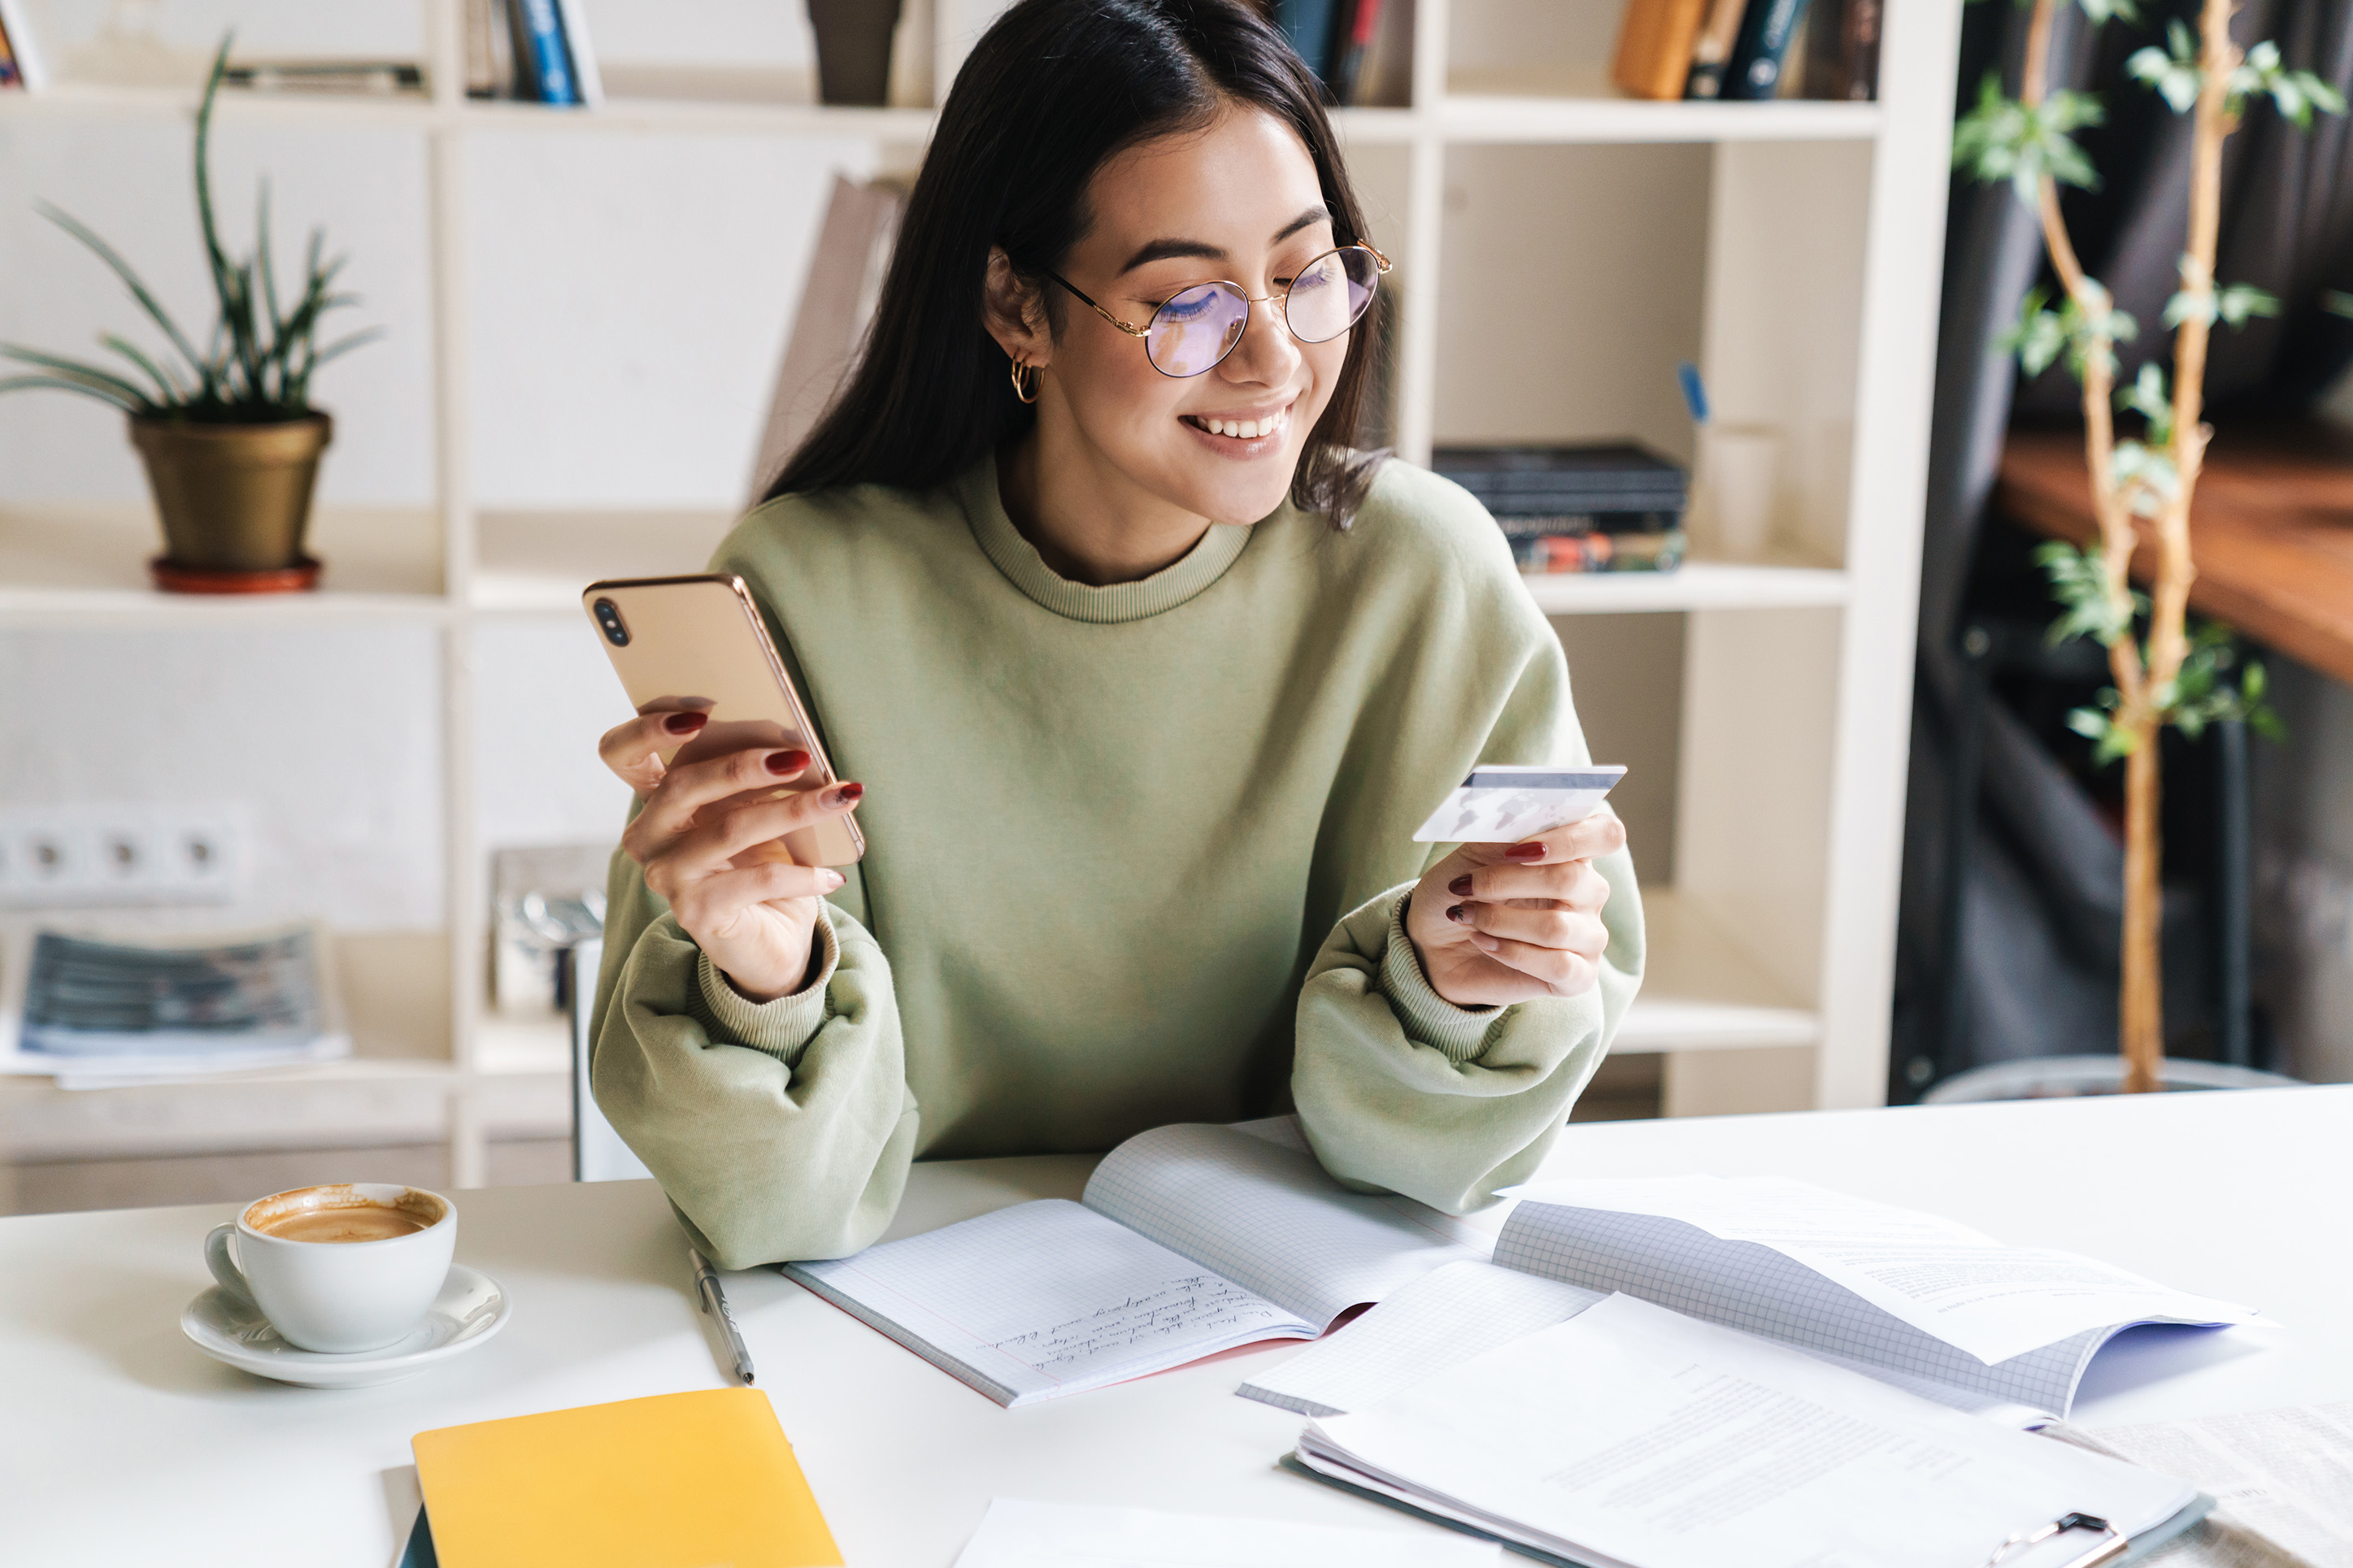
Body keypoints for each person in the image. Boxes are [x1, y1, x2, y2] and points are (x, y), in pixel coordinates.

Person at [587, 0, 1643, 1268]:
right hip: (901, 1321)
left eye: (1308, 277)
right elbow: (777, 1212)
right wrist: (764, 975)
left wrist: (1458, 985)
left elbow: (1435, 1176)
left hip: (1301, 1313)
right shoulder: (806, 589)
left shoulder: (1423, 578)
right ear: (1015, 306)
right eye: (1187, 303)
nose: (1272, 359)